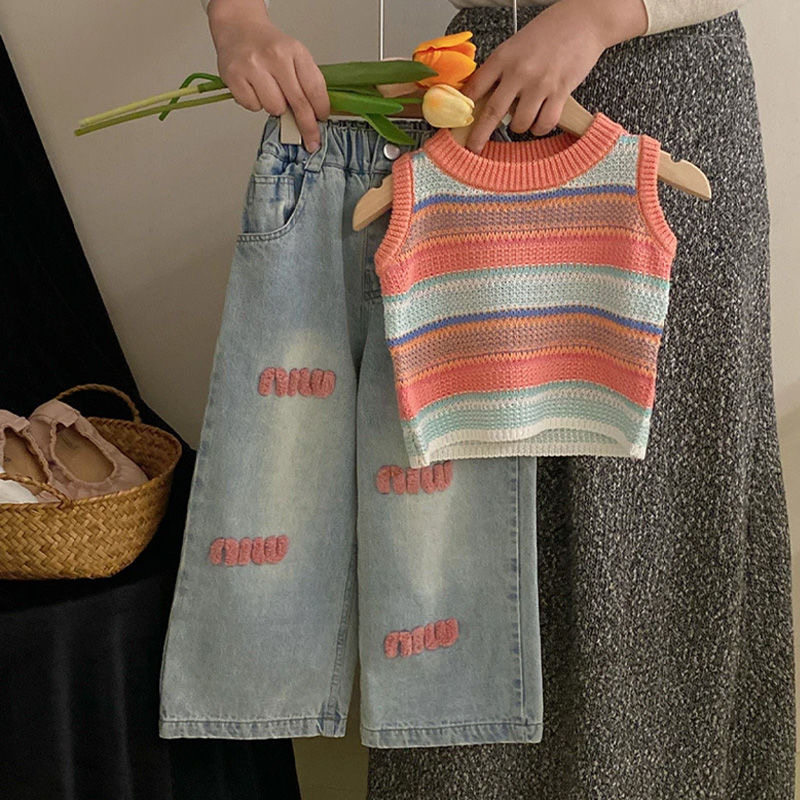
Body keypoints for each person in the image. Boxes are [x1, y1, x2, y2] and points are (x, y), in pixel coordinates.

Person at [163, 1, 795, 797]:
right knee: (453, 530)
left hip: (668, 88)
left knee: (651, 521)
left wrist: (601, 15)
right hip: (476, 103)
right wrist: (237, 19)